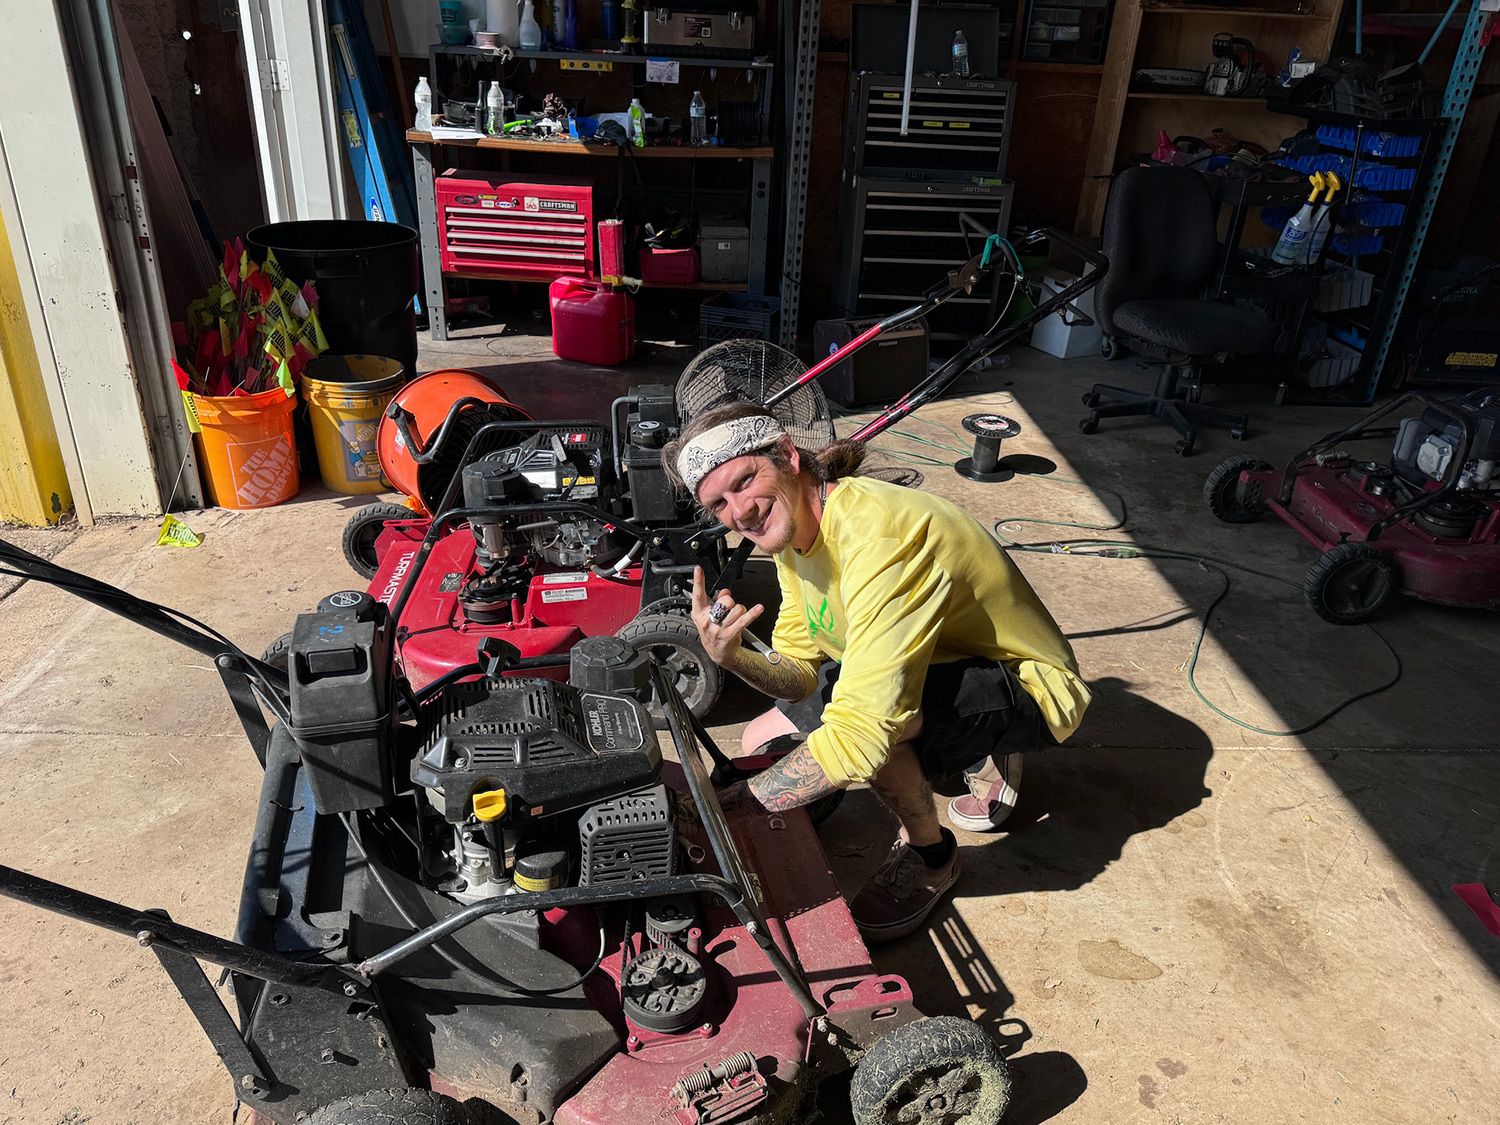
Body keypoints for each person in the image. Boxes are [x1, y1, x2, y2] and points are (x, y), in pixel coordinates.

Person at [662, 402, 1091, 942]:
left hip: (1027, 679)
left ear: (789, 458)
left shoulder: (881, 535)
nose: (739, 511)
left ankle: (932, 856)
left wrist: (721, 812)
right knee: (777, 727)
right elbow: (798, 673)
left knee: (880, 734)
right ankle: (968, 745)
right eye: (718, 504)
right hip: (934, 652)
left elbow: (862, 734)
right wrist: (732, 656)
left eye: (745, 481)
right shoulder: (794, 535)